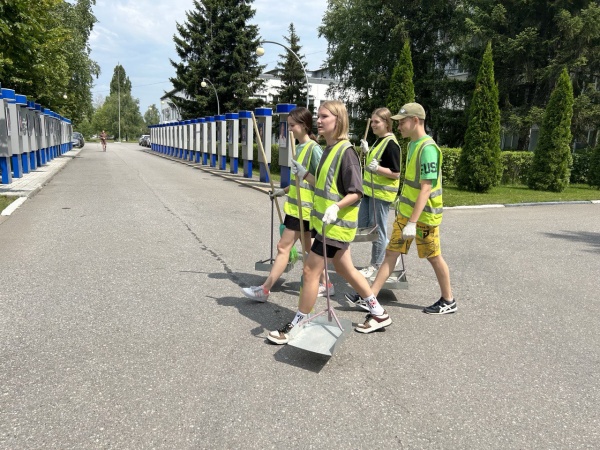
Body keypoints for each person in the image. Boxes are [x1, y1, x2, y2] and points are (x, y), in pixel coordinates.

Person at [267, 100, 392, 345]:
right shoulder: (329, 149)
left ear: (339, 120)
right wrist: (304, 174)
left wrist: (336, 207)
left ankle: (298, 322)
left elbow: (356, 191)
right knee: (346, 270)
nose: (319, 121)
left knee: (309, 271)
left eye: (325, 116)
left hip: (336, 226)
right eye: (319, 117)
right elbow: (324, 185)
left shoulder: (347, 153)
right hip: (326, 225)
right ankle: (378, 313)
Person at [346, 102, 456, 315]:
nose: (398, 126)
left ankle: (448, 299)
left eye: (402, 122)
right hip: (406, 214)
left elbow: (425, 188)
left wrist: (413, 223)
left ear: (415, 121)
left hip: (423, 218)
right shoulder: (413, 145)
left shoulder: (428, 148)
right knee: (390, 254)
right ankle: (370, 297)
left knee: (433, 256)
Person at [241, 107, 327, 301]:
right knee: (310, 250)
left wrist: (304, 173)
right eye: (288, 125)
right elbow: (300, 182)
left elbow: (323, 183)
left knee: (283, 248)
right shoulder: (299, 147)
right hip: (298, 208)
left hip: (303, 210)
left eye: (292, 125)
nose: (289, 130)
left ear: (304, 125)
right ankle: (327, 284)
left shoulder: (314, 149)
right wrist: (283, 191)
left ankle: (264, 289)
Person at [357, 107, 402, 278]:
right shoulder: (379, 140)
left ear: (387, 123)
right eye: (373, 121)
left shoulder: (391, 144)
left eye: (377, 122)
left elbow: (396, 172)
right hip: (370, 192)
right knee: (364, 226)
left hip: (381, 195)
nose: (373, 125)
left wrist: (377, 169)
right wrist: (368, 152)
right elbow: (375, 161)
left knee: (377, 231)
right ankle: (389, 250)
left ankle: (375, 265)